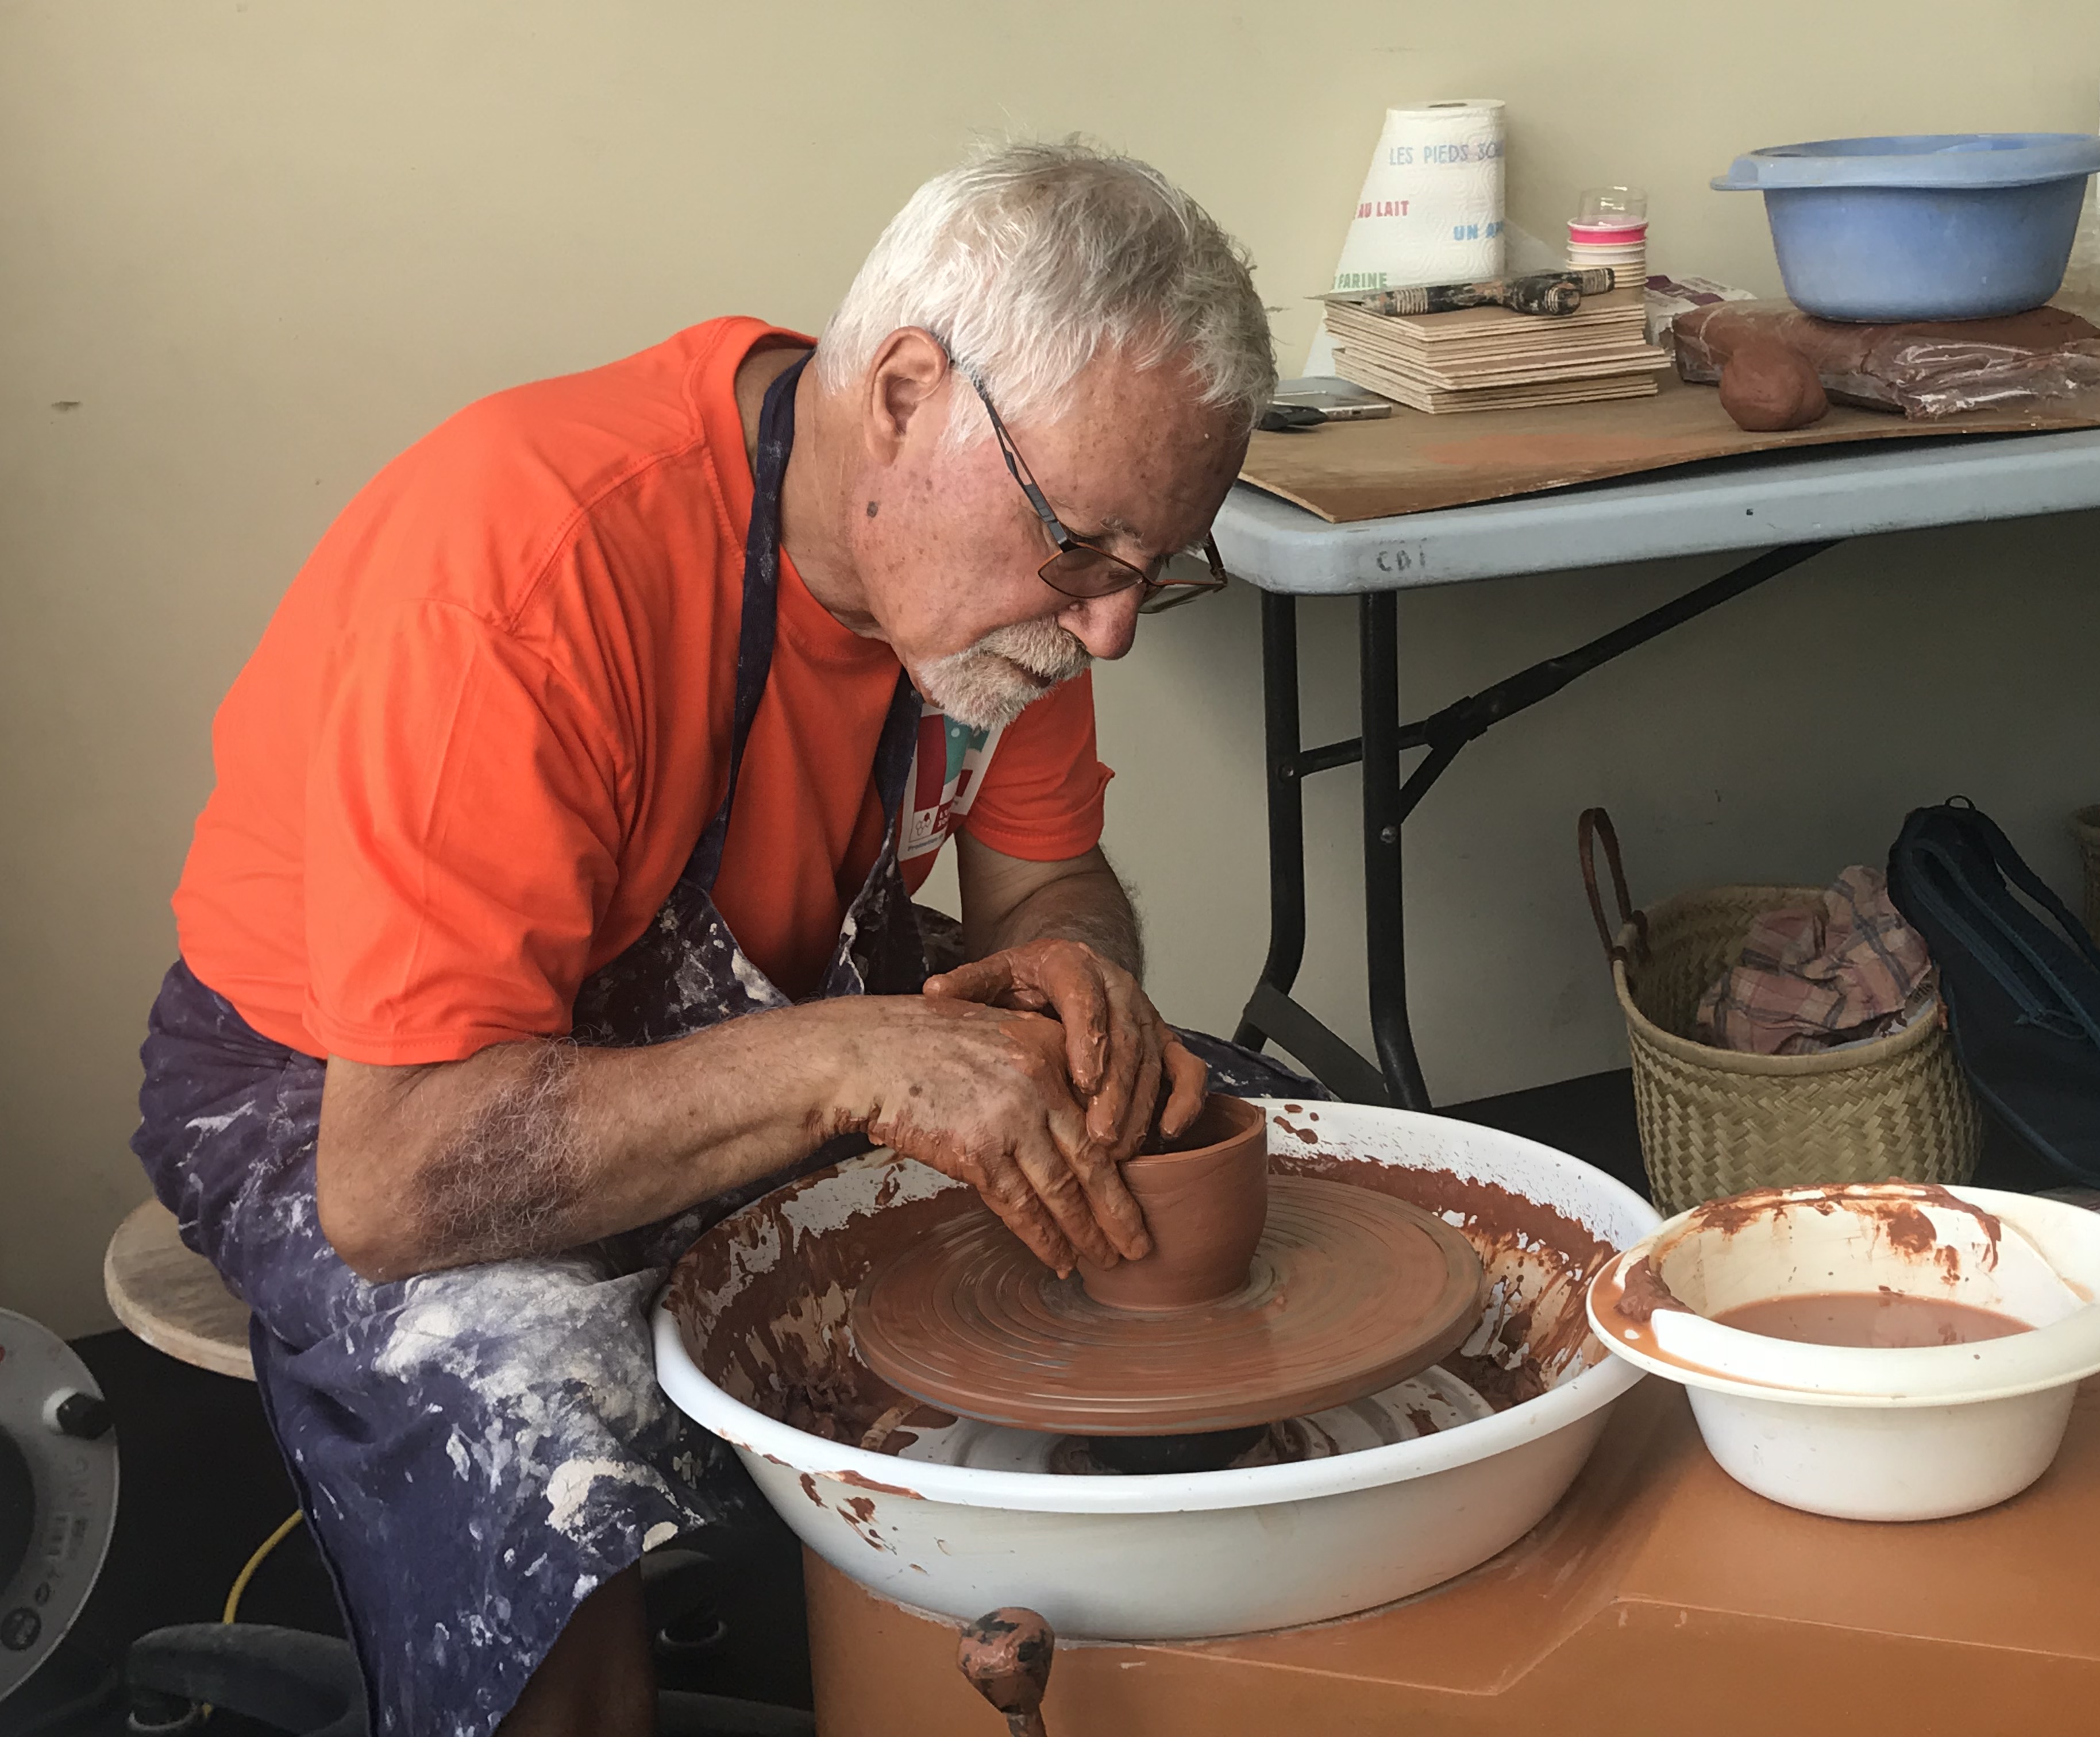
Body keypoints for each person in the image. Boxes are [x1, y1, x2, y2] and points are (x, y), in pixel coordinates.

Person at [132, 138, 1305, 1734]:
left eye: (1153, 577)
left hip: (760, 1017)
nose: (1105, 624)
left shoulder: (994, 594)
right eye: (1087, 555)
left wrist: (1083, 966)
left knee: (1226, 1134)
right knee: (530, 1395)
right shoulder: (529, 568)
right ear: (902, 396)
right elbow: (398, 1176)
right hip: (350, 1081)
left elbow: (1046, 890)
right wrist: (850, 1063)